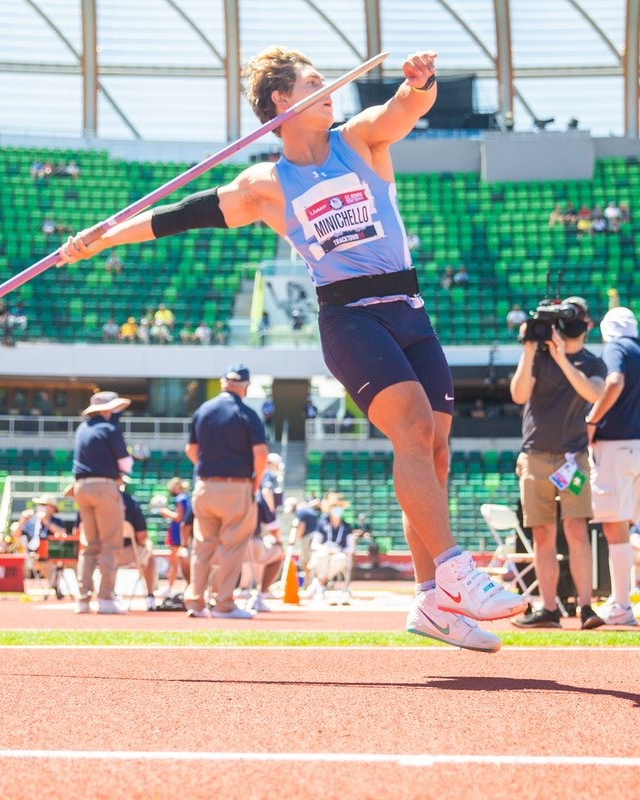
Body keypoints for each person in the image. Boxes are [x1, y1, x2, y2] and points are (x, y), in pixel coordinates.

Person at [58, 47, 525, 651]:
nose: (329, 89)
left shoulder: (358, 140)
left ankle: (432, 600)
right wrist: (101, 239)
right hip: (351, 318)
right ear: (282, 101)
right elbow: (180, 215)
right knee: (410, 425)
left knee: (433, 453)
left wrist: (421, 83)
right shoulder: (264, 185)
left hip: (409, 311)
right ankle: (460, 572)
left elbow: (404, 110)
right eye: (313, 83)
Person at [508, 297, 606, 629]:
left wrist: (563, 357)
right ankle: (548, 608)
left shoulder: (593, 363)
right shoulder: (538, 358)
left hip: (572, 457)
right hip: (536, 456)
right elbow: (519, 395)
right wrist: (530, 349)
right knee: (542, 533)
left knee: (576, 529)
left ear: (588, 325)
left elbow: (593, 394)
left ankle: (586, 607)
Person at [583, 307, 640, 626]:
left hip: (616, 445)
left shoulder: (615, 349)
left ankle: (622, 605)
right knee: (623, 526)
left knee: (614, 527)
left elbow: (613, 381)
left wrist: (591, 419)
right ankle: (621, 600)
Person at [183, 364, 268, 619]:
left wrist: (207, 470)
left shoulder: (203, 410)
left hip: (205, 486)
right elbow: (261, 454)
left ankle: (195, 602)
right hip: (235, 486)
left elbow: (190, 450)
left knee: (203, 546)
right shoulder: (247, 413)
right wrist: (255, 481)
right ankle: (223, 603)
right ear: (246, 386)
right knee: (233, 546)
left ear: (223, 383)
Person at [72, 391, 134, 614]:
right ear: (108, 409)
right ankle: (106, 598)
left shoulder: (82, 429)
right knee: (109, 544)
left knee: (90, 546)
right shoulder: (110, 429)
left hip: (81, 487)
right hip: (104, 487)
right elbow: (126, 465)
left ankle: (83, 599)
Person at [117, 481, 159, 611]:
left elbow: (79, 532)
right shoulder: (130, 501)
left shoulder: (91, 503)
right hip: (126, 553)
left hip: (99, 555)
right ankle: (150, 596)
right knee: (149, 552)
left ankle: (87, 597)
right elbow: (142, 536)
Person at [307, 502, 355, 598]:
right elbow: (315, 544)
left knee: (340, 558)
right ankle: (321, 585)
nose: (337, 511)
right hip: (324, 553)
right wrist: (325, 548)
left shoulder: (347, 527)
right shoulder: (322, 525)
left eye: (339, 508)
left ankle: (319, 583)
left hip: (339, 554)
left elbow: (351, 547)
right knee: (322, 556)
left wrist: (339, 550)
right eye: (335, 508)